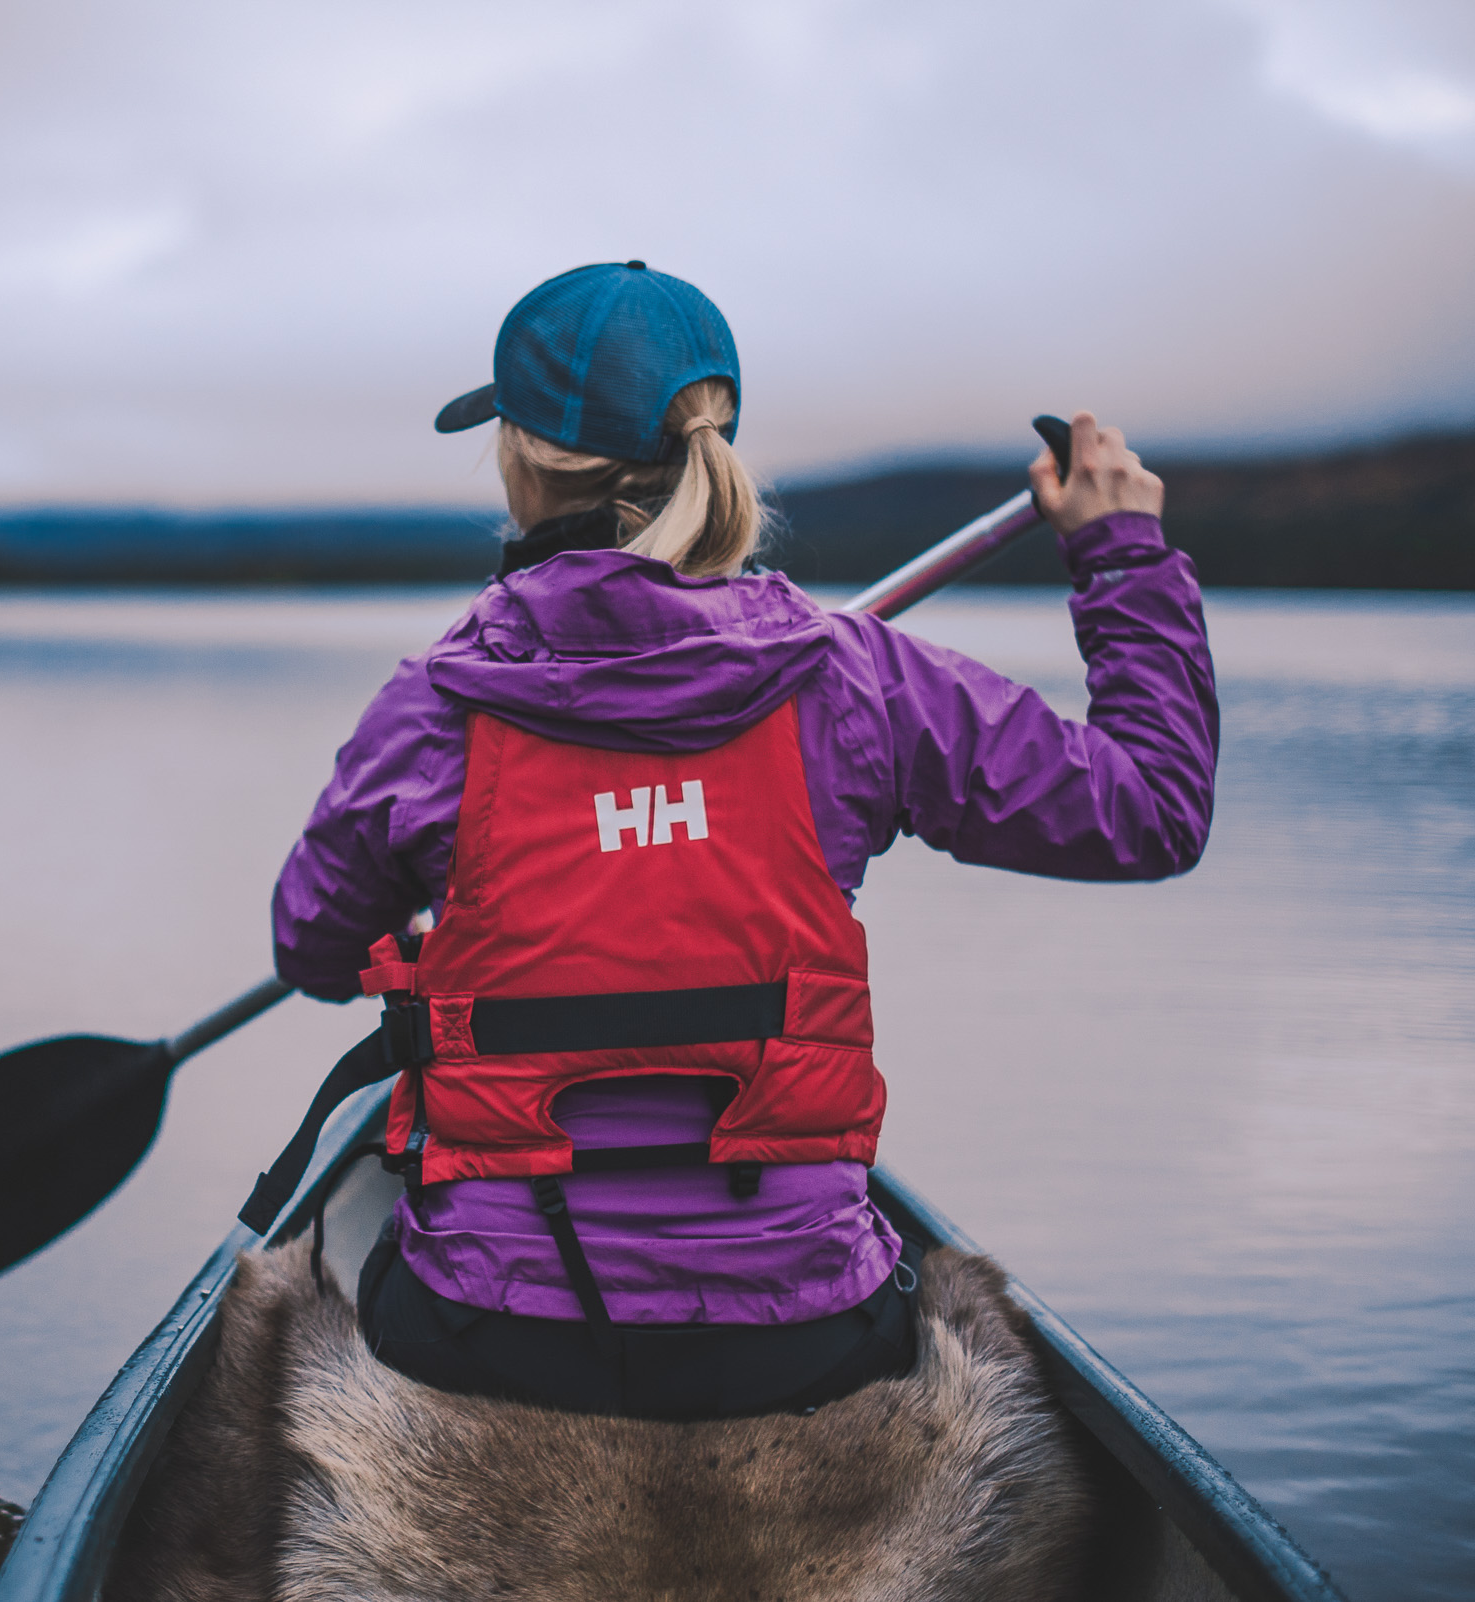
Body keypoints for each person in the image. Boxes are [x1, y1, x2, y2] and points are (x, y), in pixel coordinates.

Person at [267, 261, 1217, 1423]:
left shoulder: (435, 711)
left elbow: (312, 948)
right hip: (805, 1334)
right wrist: (1119, 549)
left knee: (307, 1298)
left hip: (492, 1329)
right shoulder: (856, 680)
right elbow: (1151, 807)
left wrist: (449, 916)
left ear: (519, 458)